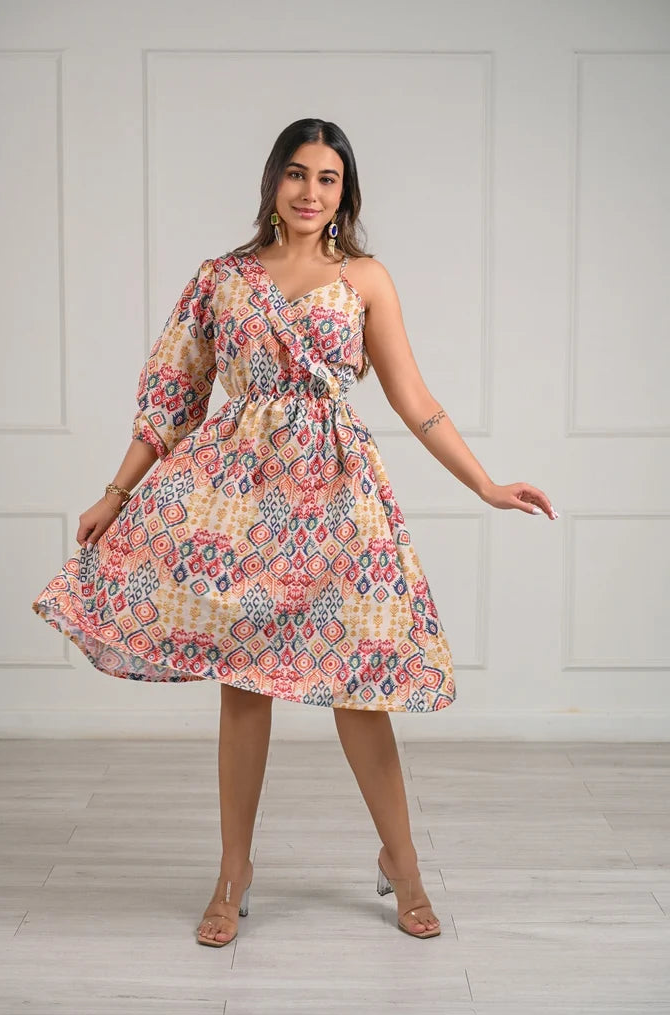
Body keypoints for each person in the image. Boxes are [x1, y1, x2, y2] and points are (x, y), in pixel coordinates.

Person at [32, 118, 557, 948]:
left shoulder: (366, 279)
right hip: (241, 502)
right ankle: (232, 871)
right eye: (298, 174)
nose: (311, 192)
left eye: (328, 179)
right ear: (273, 181)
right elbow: (174, 393)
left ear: (345, 194)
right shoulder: (222, 278)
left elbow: (415, 400)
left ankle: (402, 863)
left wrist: (485, 484)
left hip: (340, 501)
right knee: (243, 687)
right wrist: (116, 491)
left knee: (361, 689)